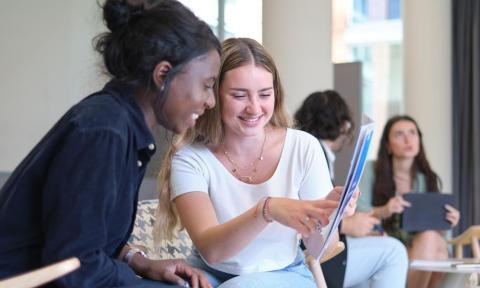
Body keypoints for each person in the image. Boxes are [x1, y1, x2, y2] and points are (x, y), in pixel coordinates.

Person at [0, 0, 221, 287]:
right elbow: (73, 269)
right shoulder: (104, 132)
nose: (210, 101)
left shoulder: (121, 125)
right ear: (163, 74)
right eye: (206, 84)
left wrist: (140, 262)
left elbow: (86, 238)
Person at [154, 38, 358, 288]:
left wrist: (329, 216)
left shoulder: (302, 147)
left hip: (285, 274)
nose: (254, 108)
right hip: (209, 274)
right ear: (213, 96)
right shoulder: (190, 158)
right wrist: (267, 210)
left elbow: (320, 247)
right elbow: (212, 251)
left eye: (264, 94)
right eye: (239, 95)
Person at [295, 90, 408, 288]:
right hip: (314, 255)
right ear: (343, 125)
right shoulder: (315, 153)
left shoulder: (306, 149)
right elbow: (308, 214)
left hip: (316, 246)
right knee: (394, 252)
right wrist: (347, 226)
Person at [357, 115, 461, 288]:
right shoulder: (371, 171)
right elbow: (354, 210)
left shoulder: (427, 178)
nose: (408, 139)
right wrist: (384, 210)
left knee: (432, 239)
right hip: (387, 245)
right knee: (435, 248)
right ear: (388, 146)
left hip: (422, 247)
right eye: (399, 134)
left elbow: (441, 234)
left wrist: (448, 221)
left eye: (413, 133)